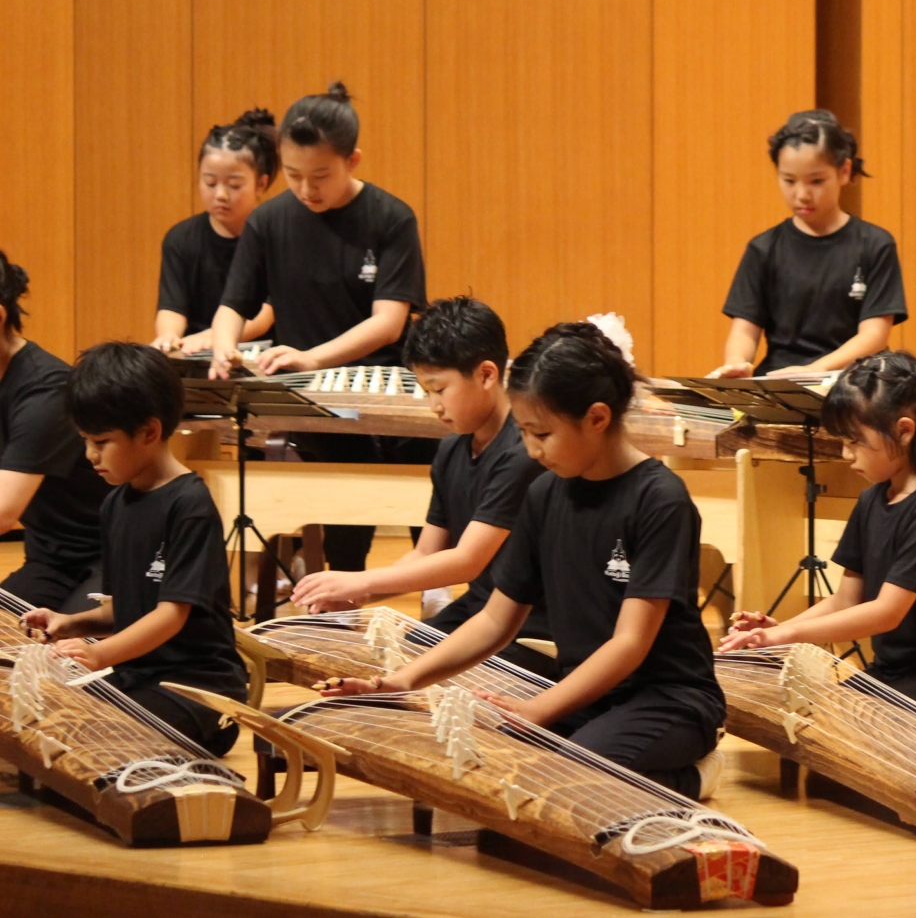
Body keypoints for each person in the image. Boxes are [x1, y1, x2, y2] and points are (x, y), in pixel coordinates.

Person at [317, 322, 725, 798]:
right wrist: (401, 681)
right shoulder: (545, 492)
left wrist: (540, 709)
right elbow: (496, 620)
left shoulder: (659, 499)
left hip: (666, 699)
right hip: (588, 693)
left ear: (596, 418)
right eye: (525, 433)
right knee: (485, 763)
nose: (532, 450)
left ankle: (692, 776)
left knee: (554, 781)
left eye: (542, 433)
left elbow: (629, 644)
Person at [209, 82, 430, 575]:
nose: (307, 189)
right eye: (292, 175)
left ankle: (432, 592)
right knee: (343, 509)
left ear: (353, 161)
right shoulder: (268, 222)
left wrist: (311, 356)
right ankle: (340, 593)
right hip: (311, 397)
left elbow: (388, 322)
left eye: (320, 176)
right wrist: (224, 348)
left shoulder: (391, 218)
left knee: (422, 478)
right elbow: (233, 305)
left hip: (390, 389)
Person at [720, 352, 916, 727]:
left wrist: (786, 635)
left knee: (848, 735)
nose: (845, 454)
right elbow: (845, 600)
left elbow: (886, 612)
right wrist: (776, 632)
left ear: (904, 430)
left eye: (855, 441)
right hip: (895, 673)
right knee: (803, 723)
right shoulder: (872, 498)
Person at [289, 297, 556, 679]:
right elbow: (426, 552)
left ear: (486, 375)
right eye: (425, 390)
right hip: (477, 608)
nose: (433, 405)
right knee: (374, 672)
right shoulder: (450, 449)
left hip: (527, 625)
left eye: (440, 389)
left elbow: (467, 560)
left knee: (413, 685)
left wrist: (363, 578)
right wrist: (360, 594)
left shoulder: (520, 451)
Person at [23, 343, 248, 756]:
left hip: (199, 690)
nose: (90, 456)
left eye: (102, 442)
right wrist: (70, 623)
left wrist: (100, 653)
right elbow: (125, 607)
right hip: (140, 677)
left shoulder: (190, 506)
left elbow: (169, 616)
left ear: (149, 431)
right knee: (46, 716)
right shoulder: (115, 502)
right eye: (85, 441)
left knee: (92, 738)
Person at [712, 110, 906, 377]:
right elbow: (745, 330)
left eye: (816, 181)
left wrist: (814, 371)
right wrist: (737, 365)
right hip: (778, 381)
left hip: (853, 384)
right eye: (789, 181)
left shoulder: (875, 244)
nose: (801, 195)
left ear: (844, 171)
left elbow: (874, 335)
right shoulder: (763, 249)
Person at [0, 252, 103, 612]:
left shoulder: (45, 390)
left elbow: (2, 511)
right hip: (49, 562)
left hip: (112, 556)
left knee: (72, 654)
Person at [151, 108, 279, 355]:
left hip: (262, 355)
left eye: (234, 185)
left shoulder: (274, 235)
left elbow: (264, 316)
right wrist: (169, 336)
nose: (220, 194)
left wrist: (212, 338)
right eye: (210, 182)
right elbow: (172, 307)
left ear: (261, 183)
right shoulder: (181, 239)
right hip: (197, 354)